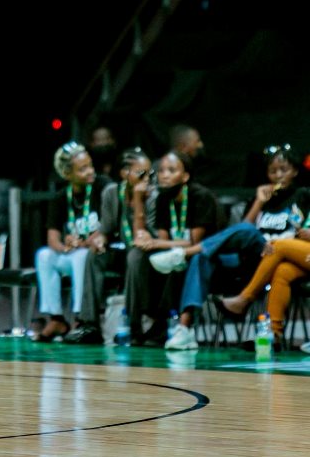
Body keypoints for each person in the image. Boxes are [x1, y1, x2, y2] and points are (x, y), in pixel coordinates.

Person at [202, 146, 310, 347]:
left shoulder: (304, 195)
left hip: (294, 249)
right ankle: (273, 335)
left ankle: (244, 299)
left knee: (277, 245)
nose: (278, 175)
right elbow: (244, 229)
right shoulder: (266, 197)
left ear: (295, 171)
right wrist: (259, 202)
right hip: (282, 257)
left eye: (283, 170)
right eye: (273, 171)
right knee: (283, 271)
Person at [125, 151, 219, 346]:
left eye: (171, 170)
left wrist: (158, 244)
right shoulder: (162, 199)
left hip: (204, 258)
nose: (164, 175)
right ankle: (138, 322)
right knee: (138, 256)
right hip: (176, 252)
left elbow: (194, 243)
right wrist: (149, 242)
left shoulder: (201, 197)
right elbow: (164, 242)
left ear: (185, 176)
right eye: (161, 171)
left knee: (177, 261)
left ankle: (161, 322)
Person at [66, 148, 151, 344]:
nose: (147, 178)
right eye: (141, 173)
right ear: (124, 173)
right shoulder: (112, 193)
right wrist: (100, 239)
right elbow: (106, 229)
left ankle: (134, 324)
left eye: (150, 173)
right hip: (124, 249)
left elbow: (149, 233)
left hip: (146, 250)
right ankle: (89, 324)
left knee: (134, 256)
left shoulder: (152, 194)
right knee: (94, 255)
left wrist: (138, 200)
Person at [32, 142, 110, 343]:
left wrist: (81, 244)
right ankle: (56, 319)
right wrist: (65, 246)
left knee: (82, 256)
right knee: (44, 255)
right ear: (67, 174)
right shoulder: (60, 197)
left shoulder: (103, 186)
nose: (90, 171)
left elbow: (108, 226)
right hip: (74, 253)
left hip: (98, 253)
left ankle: (79, 318)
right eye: (82, 169)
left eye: (90, 165)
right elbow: (52, 238)